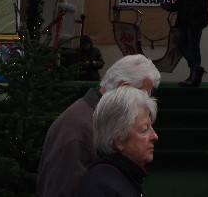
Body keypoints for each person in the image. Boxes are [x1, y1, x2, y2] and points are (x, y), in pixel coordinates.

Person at [37, 54, 161, 197]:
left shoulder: (91, 118)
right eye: (143, 95)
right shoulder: (80, 129)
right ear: (123, 88)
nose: (145, 103)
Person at [72, 85, 158, 197]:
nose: (155, 136)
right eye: (144, 130)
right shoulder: (105, 189)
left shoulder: (119, 177)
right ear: (119, 141)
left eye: (151, 127)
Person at [162, 0, 208, 87]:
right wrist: (170, 7)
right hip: (188, 20)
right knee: (186, 45)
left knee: (190, 46)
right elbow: (181, 4)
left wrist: (190, 14)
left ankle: (195, 71)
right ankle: (195, 70)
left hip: (193, 21)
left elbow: (203, 1)